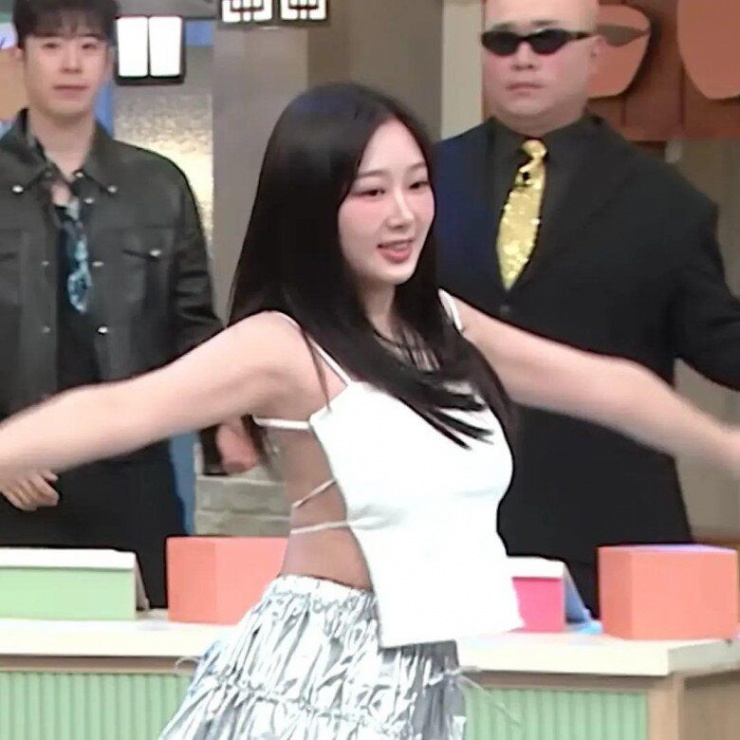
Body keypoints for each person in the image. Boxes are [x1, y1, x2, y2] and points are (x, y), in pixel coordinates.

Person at [1, 82, 739, 738]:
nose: (403, 214)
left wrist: (725, 447)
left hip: (420, 675)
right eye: (371, 193)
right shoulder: (283, 345)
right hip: (314, 678)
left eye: (417, 185)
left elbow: (608, 387)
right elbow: (118, 410)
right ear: (315, 208)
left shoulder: (442, 326)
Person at [434, 0, 740, 614]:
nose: (523, 58)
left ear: (595, 54)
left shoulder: (665, 203)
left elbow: (720, 342)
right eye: (502, 41)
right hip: (446, 520)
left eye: (547, 40)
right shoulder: (420, 181)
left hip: (608, 525)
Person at [0, 0, 244, 607]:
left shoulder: (158, 186)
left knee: (150, 643)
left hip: (133, 478)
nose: (71, 64)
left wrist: (227, 423)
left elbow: (193, 324)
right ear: (20, 57)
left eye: (88, 45)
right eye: (52, 45)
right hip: (15, 478)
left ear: (109, 59)